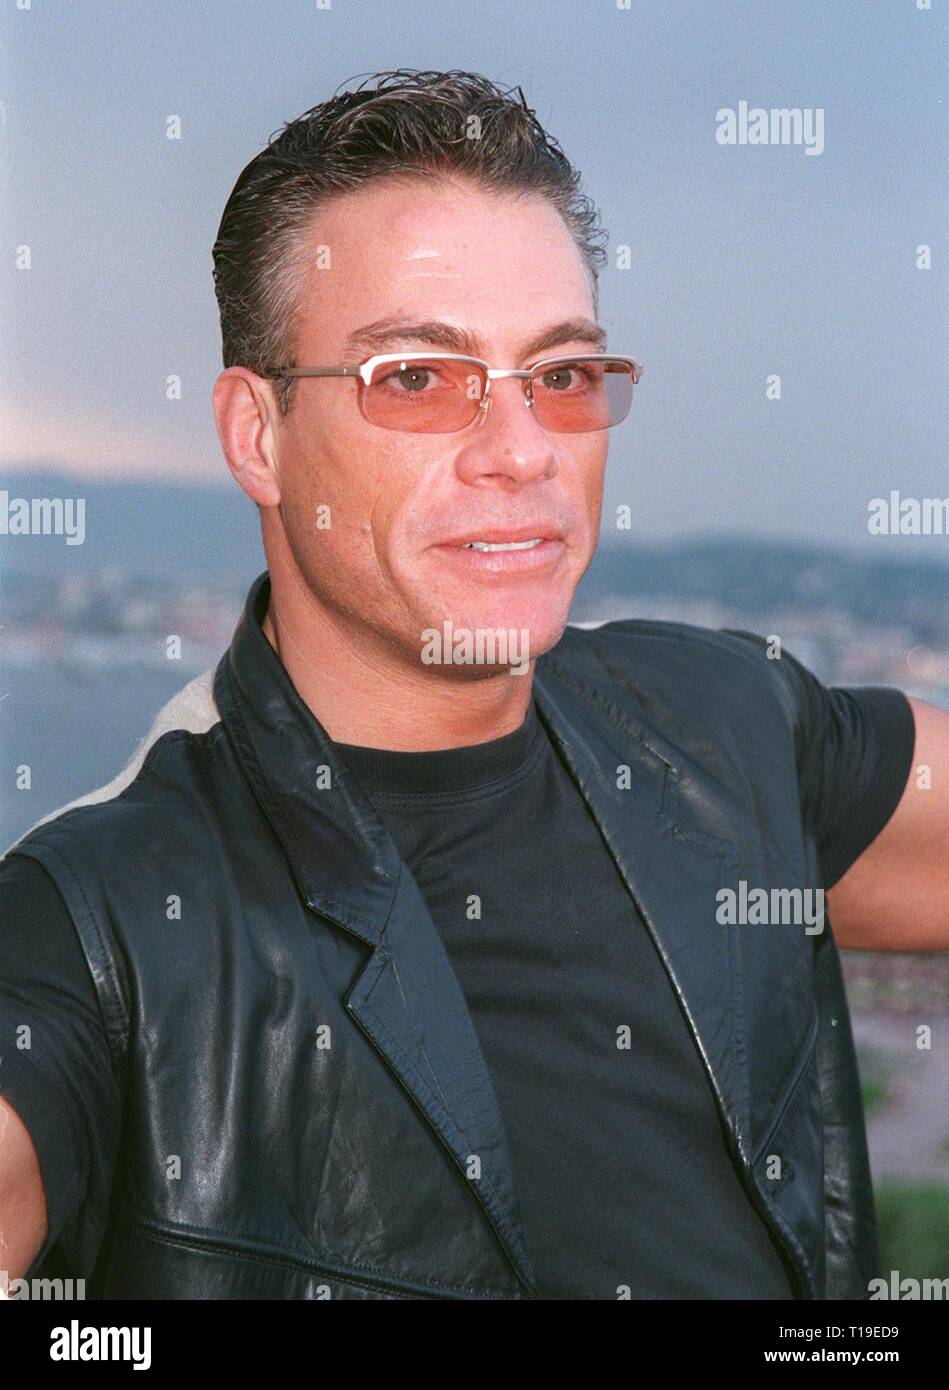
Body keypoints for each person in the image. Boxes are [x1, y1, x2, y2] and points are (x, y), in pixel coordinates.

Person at [1, 69, 947, 1302]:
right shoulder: (100, 925)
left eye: (560, 375)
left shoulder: (732, 727)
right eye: (416, 376)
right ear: (257, 435)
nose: (521, 449)